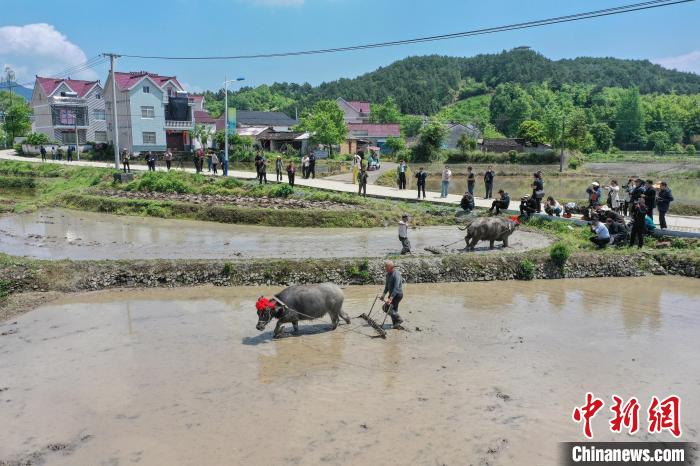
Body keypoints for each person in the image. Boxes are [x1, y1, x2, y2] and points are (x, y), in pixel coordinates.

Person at [380, 260, 405, 330]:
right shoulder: (388, 274)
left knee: (386, 308)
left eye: (386, 267)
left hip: (397, 295)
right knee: (393, 309)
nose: (385, 268)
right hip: (392, 295)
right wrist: (383, 295)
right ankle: (395, 324)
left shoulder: (396, 274)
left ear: (390, 267)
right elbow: (387, 286)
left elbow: (396, 288)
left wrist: (390, 298)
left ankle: (399, 319)